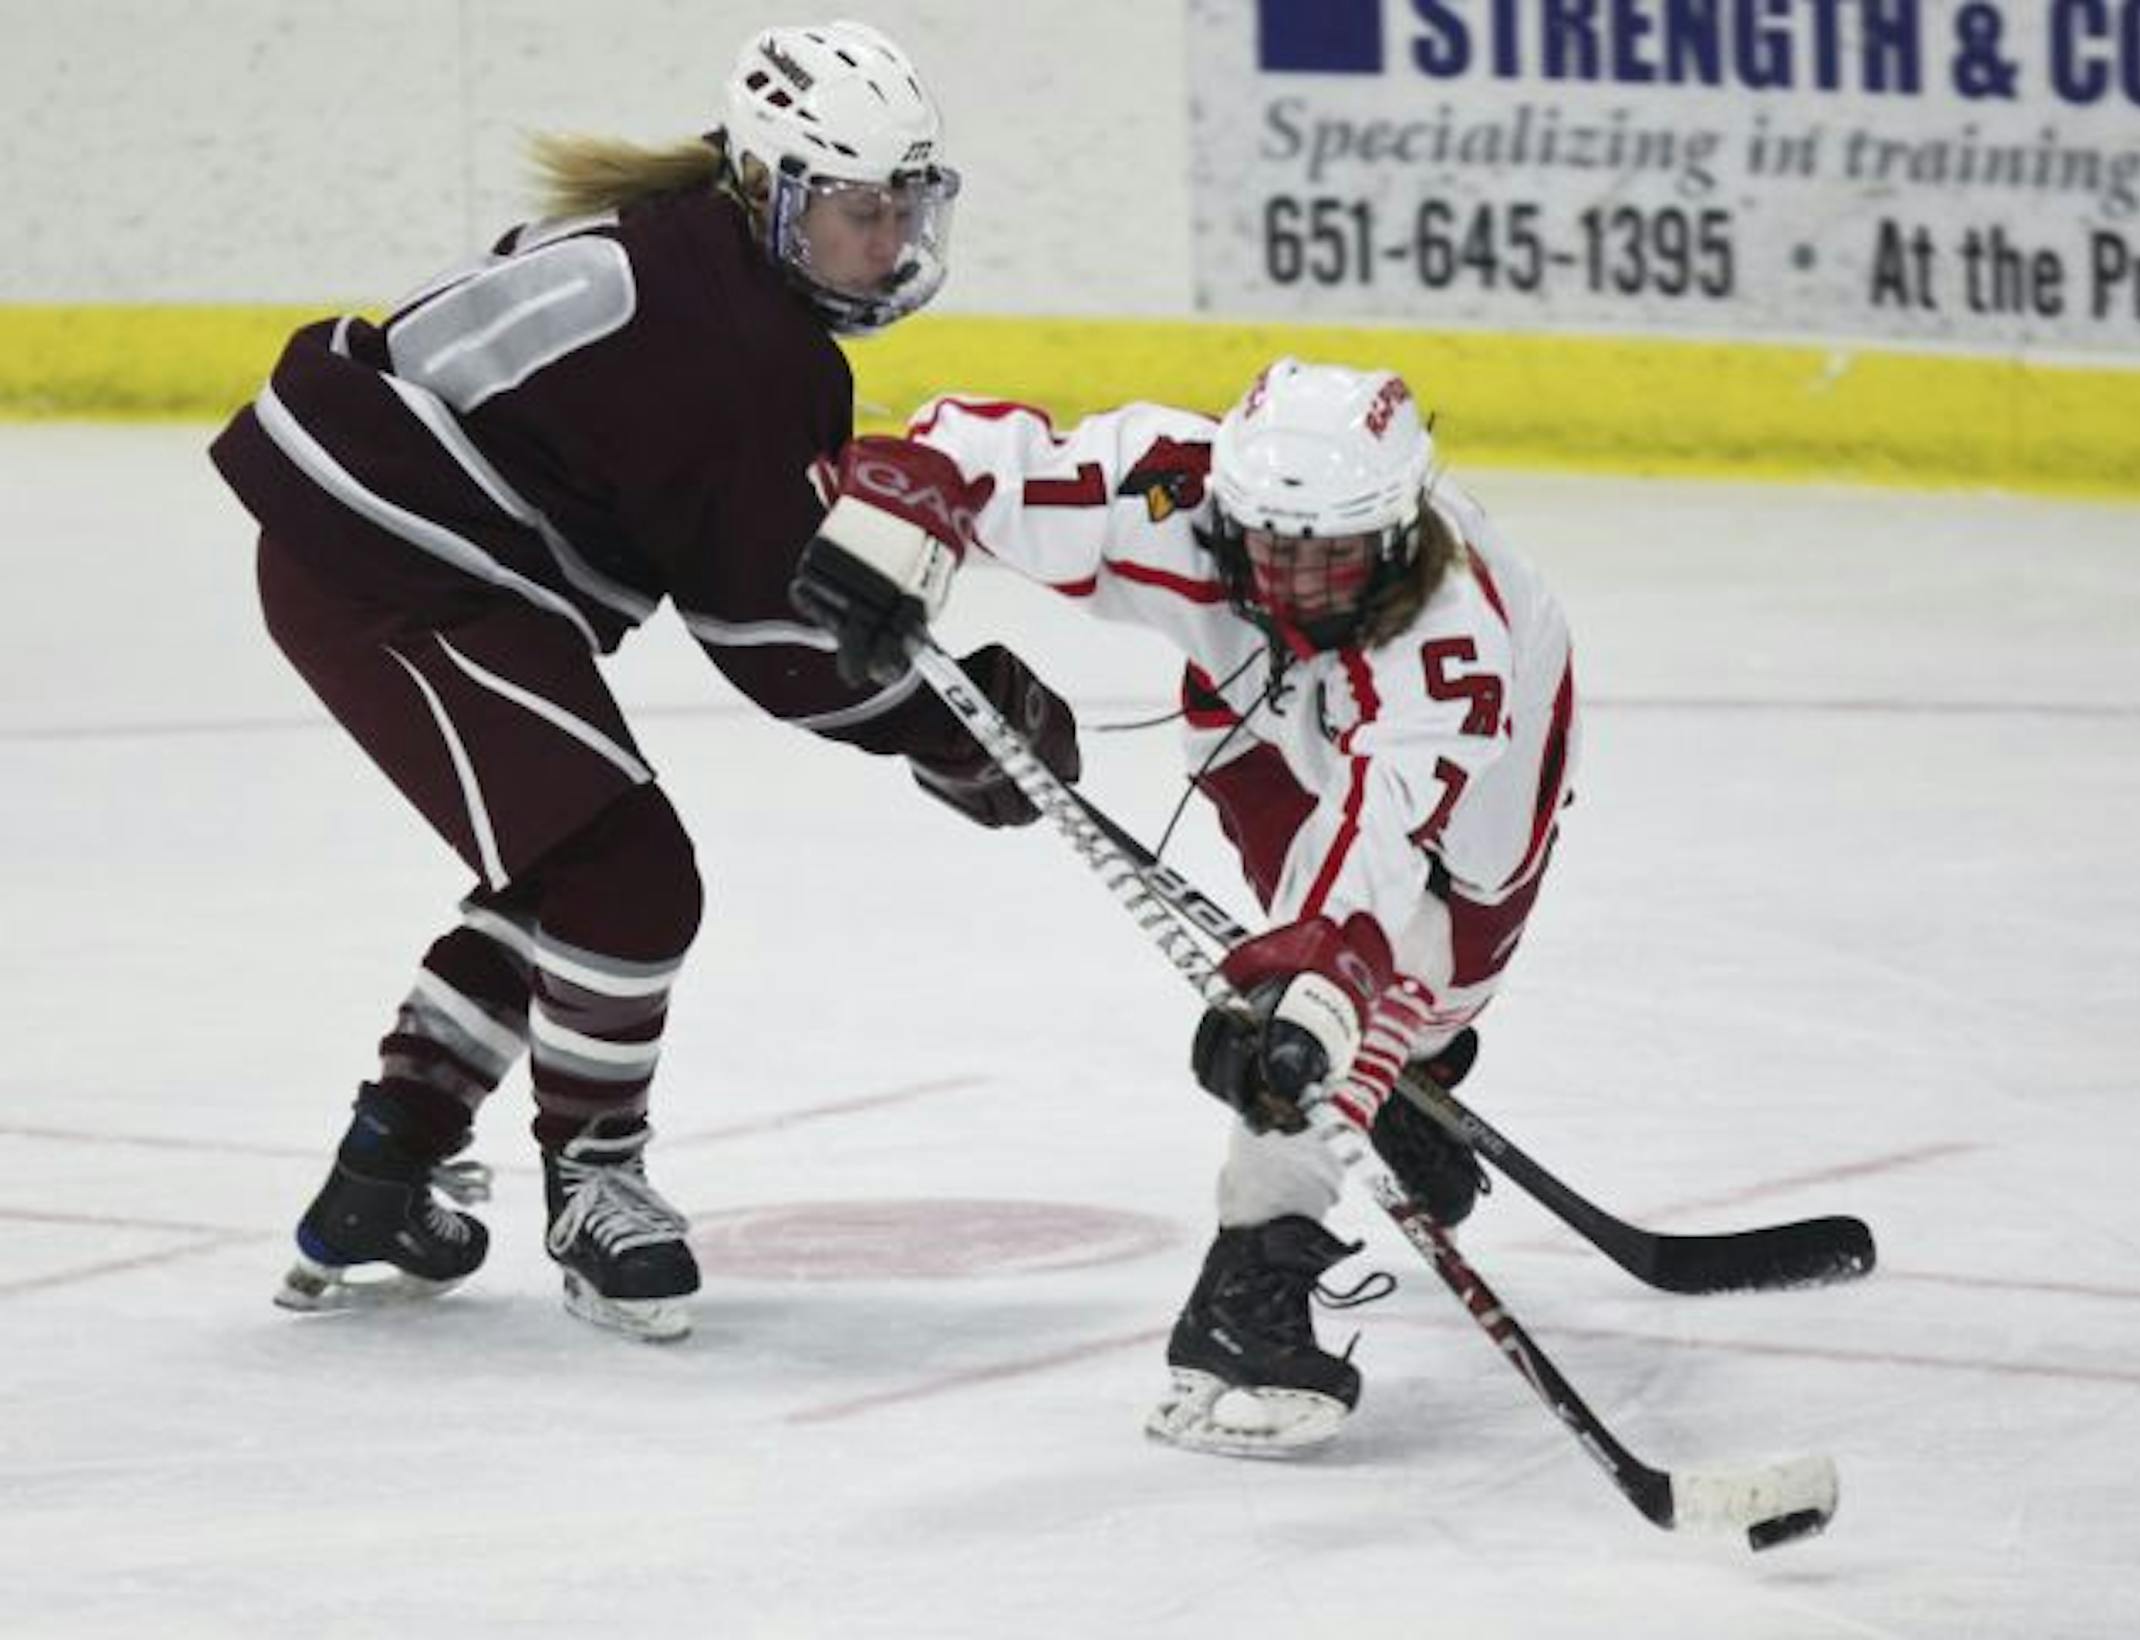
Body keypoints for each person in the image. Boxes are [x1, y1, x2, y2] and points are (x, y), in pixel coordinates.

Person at [208, 19, 1080, 1343]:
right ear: (770, 193)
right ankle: (593, 1177)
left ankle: (383, 1173)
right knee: (632, 875)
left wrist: (936, 705)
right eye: (856, 211)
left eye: (905, 206)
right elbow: (773, 643)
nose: (890, 241)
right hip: (389, 570)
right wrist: (953, 729)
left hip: (417, 557)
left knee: (572, 871)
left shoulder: (700, 259)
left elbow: (769, 591)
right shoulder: (734, 341)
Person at [792, 357, 1577, 1451]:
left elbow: (1378, 857)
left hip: (1476, 784)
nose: (1297, 582)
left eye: (1333, 555)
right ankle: (1250, 1294)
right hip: (1253, 719)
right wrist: (890, 524)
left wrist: (1316, 991)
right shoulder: (1176, 488)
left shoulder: (1452, 648)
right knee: (1310, 1003)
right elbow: (966, 459)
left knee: (1417, 970)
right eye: (1275, 549)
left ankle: (1411, 1062)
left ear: (1398, 534)